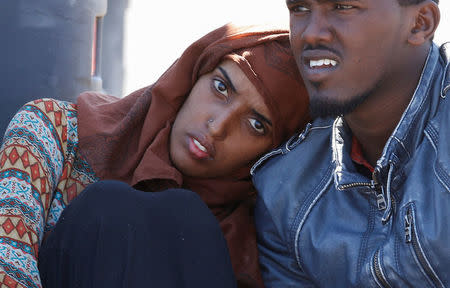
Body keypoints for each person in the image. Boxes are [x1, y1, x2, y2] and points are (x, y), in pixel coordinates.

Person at [0, 23, 310, 288]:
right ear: (192, 76)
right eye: (220, 87)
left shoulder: (262, 232)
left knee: (186, 215)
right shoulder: (54, 128)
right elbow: (8, 260)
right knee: (111, 206)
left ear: (272, 151)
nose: (217, 127)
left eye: (256, 124)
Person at [251, 0, 449, 287]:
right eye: (300, 9)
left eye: (342, 7)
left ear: (420, 23)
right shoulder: (284, 195)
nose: (311, 34)